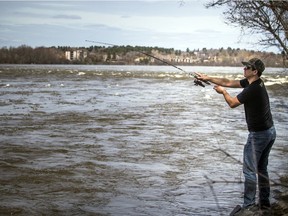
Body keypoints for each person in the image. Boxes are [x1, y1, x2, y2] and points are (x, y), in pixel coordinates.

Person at [196, 58, 276, 216]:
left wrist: (223, 92)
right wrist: (208, 78)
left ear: (255, 72)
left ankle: (249, 206)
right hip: (269, 132)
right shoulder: (254, 83)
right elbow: (229, 81)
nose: (244, 69)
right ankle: (265, 204)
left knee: (249, 170)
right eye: (245, 66)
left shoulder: (253, 88)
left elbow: (232, 103)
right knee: (261, 169)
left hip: (259, 135)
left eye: (248, 68)